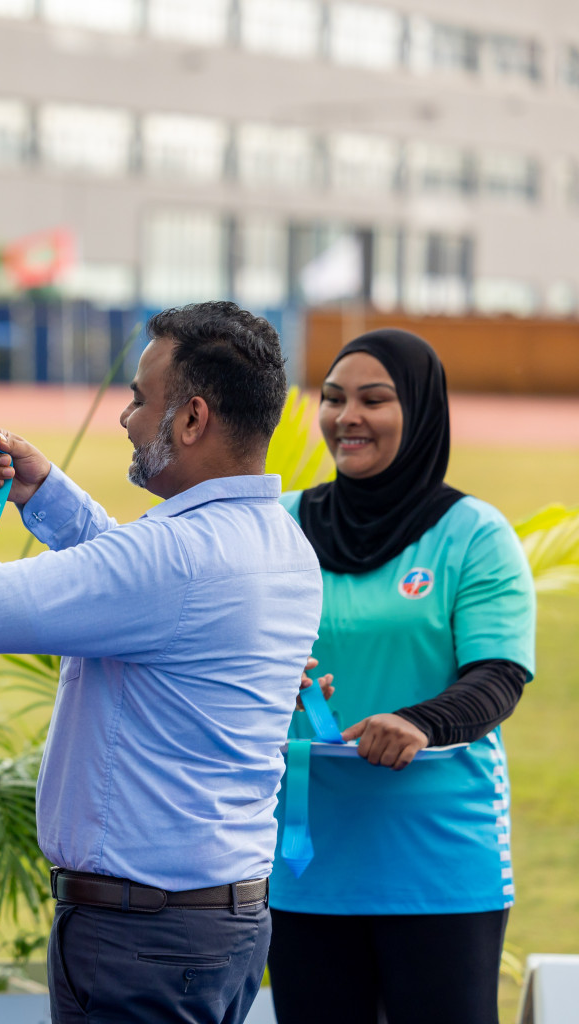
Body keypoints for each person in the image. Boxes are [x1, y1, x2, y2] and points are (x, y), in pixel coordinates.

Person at [0, 301, 322, 1024]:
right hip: (214, 924)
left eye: (139, 399)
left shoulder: (176, 558)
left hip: (141, 938)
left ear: (193, 419)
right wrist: (44, 493)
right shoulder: (280, 544)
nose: (125, 418)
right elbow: (144, 593)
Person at [265, 330, 536, 1024]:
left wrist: (420, 721)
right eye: (332, 399)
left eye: (374, 400)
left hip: (439, 864)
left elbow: (498, 675)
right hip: (303, 860)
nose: (346, 417)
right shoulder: (280, 525)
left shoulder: (474, 534)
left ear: (419, 412)